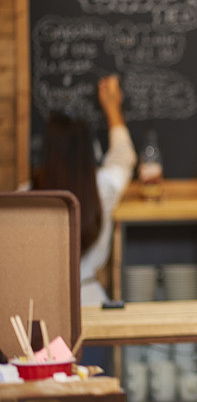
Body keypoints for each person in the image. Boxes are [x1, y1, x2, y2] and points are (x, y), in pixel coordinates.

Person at [32, 75, 137, 306]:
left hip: (39, 305)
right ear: (89, 151)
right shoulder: (102, 188)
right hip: (89, 301)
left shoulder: (27, 196)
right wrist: (112, 110)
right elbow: (124, 156)